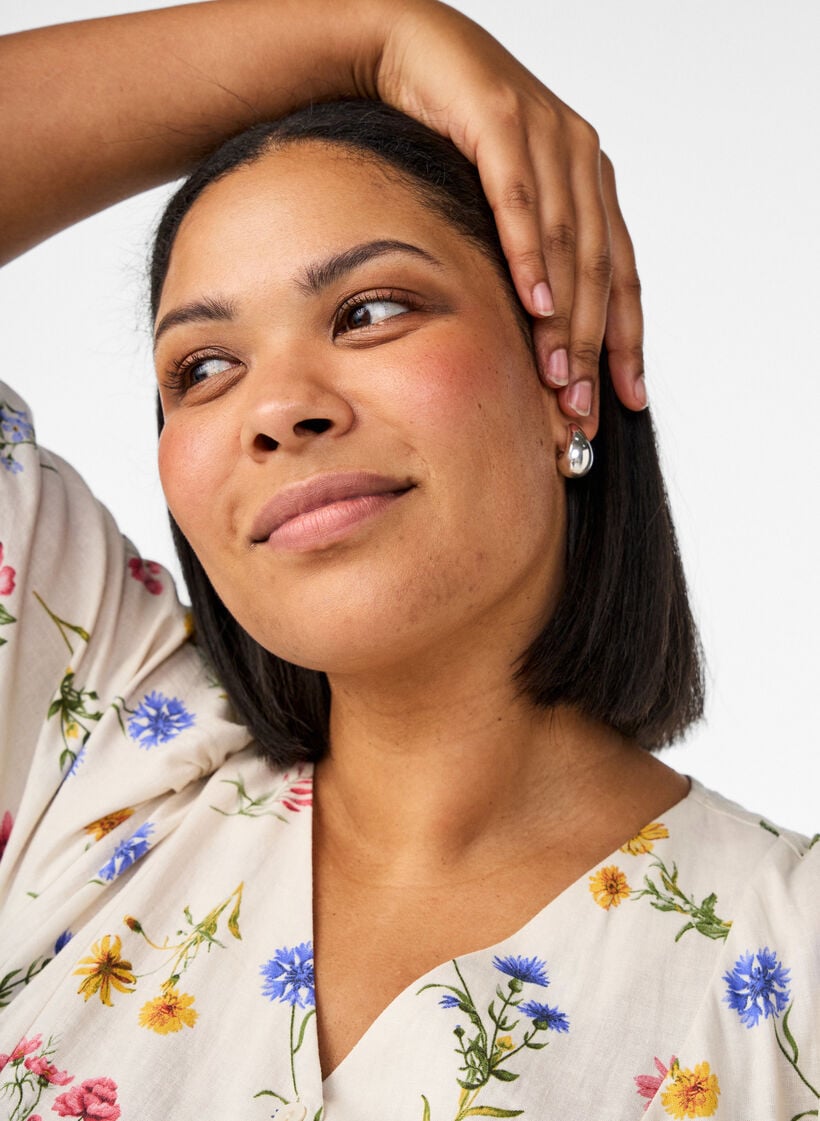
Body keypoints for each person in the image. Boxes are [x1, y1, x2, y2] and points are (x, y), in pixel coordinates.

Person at [0, 6, 816, 1121]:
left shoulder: (796, 963)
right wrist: (369, 28)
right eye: (203, 367)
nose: (278, 407)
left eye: (370, 310)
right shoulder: (88, 769)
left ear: (561, 371)